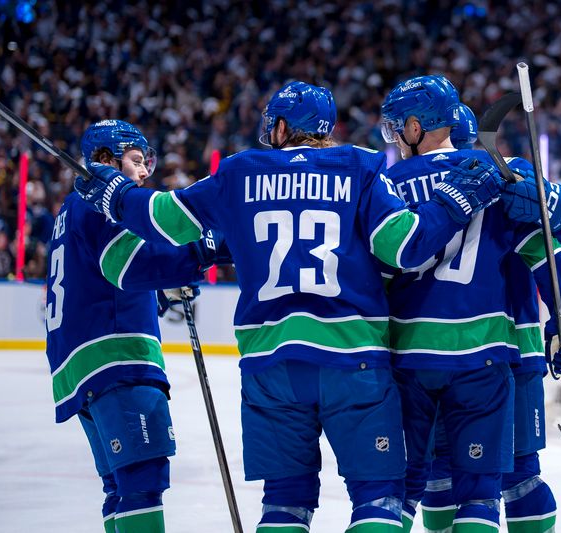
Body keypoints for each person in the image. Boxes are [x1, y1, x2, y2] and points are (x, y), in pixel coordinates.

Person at [73, 81, 508, 533]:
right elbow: (403, 247)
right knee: (380, 497)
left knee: (284, 502)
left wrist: (115, 194)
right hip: (352, 359)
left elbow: (162, 218)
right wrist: (454, 205)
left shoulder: (238, 171)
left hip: (270, 366)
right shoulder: (360, 166)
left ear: (280, 127)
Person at [380, 78, 561, 533]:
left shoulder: (385, 185)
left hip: (413, 357)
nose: (394, 139)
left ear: (417, 128)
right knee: (512, 479)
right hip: (500, 353)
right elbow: (555, 251)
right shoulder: (498, 171)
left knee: (433, 476)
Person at [45, 119, 224, 533]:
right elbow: (134, 266)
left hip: (81, 368)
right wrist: (204, 251)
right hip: (117, 362)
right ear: (105, 162)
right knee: (142, 482)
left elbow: (99, 279)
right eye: (136, 161)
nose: (145, 173)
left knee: (120, 487)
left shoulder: (69, 209)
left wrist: (162, 291)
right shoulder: (98, 200)